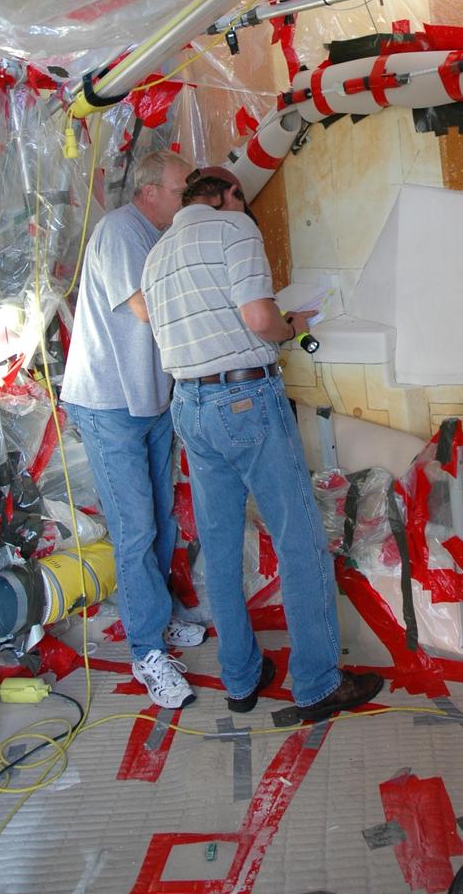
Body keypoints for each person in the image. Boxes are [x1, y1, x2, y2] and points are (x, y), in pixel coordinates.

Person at [141, 167, 384, 719]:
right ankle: (318, 685)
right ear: (230, 196)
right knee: (299, 540)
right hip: (244, 400)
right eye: (242, 201)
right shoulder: (234, 230)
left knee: (221, 549)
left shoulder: (157, 254)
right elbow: (257, 318)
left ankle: (241, 680)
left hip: (190, 407)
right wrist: (289, 324)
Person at [61, 148, 205, 709]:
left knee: (161, 519)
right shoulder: (123, 231)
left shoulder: (160, 236)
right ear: (148, 193)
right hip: (109, 403)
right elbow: (148, 310)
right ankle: (147, 652)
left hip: (149, 400)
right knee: (135, 529)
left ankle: (160, 618)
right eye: (178, 191)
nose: (186, 198)